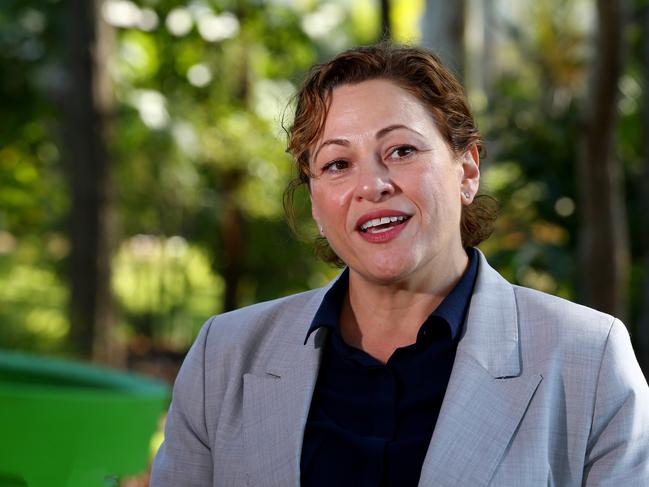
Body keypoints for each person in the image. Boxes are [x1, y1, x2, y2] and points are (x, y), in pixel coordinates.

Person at [150, 44, 649, 486]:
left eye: (402, 150)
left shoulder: (589, 356)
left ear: (468, 170)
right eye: (337, 164)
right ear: (317, 204)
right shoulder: (225, 357)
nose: (373, 185)